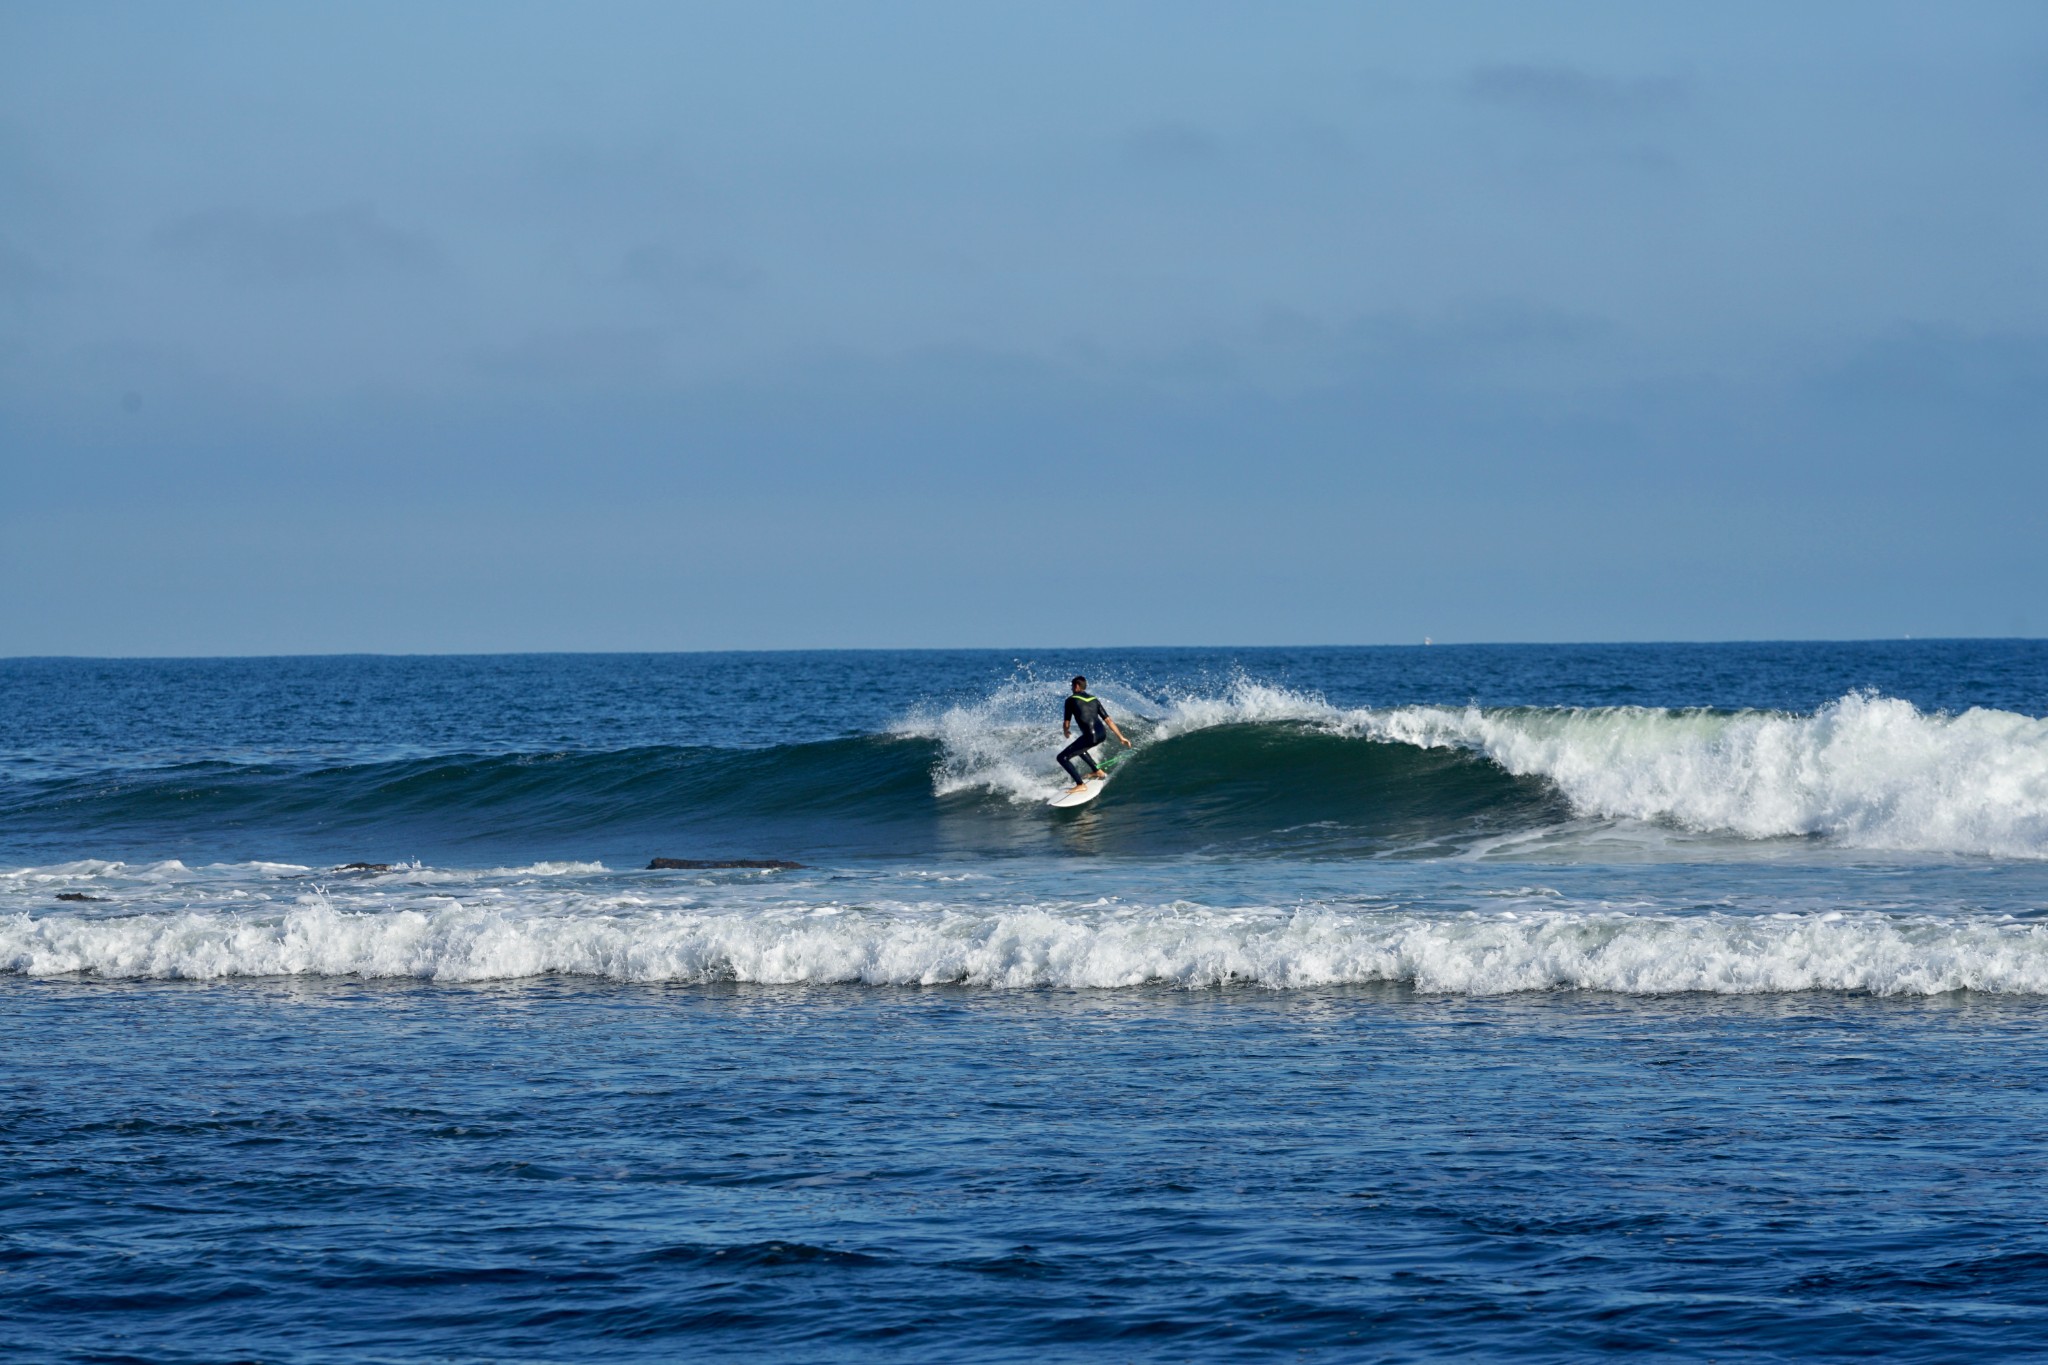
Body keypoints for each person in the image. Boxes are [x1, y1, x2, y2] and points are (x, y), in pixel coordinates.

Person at [1057, 676, 1132, 793]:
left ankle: (1080, 784)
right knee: (1079, 748)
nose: (1071, 688)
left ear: (1076, 686)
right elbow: (1108, 720)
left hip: (1090, 736)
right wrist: (1121, 737)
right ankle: (1097, 771)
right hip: (1102, 734)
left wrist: (1066, 731)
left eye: (1072, 686)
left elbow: (1066, 722)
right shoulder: (1094, 699)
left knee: (1062, 758)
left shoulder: (1070, 700)